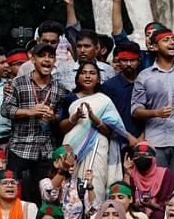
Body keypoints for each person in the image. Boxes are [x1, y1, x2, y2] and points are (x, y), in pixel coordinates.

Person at [1, 42, 68, 204]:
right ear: (33, 59)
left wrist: (54, 118)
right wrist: (29, 111)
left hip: (45, 150)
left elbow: (61, 120)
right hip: (20, 147)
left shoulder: (60, 89)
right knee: (13, 193)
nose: (47, 60)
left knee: (44, 197)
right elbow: (5, 110)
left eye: (51, 57)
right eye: (42, 56)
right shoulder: (19, 83)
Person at [59, 61, 134, 201]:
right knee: (71, 192)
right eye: (83, 73)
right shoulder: (69, 98)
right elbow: (61, 127)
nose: (88, 76)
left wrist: (95, 119)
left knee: (95, 185)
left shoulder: (105, 101)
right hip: (73, 150)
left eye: (92, 73)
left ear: (98, 79)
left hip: (98, 149)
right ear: (77, 78)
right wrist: (74, 118)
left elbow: (111, 132)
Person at [131, 28, 174, 185]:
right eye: (166, 40)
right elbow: (135, 110)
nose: (172, 42)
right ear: (155, 47)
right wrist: (155, 113)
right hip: (155, 142)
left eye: (173, 39)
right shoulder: (144, 76)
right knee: (157, 189)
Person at [39, 145, 98, 219]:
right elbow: (51, 196)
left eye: (73, 157)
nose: (71, 160)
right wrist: (64, 168)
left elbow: (93, 211)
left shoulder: (81, 185)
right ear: (56, 163)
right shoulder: (45, 182)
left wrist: (90, 187)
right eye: (66, 157)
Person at [102, 41, 145, 142]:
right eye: (125, 60)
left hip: (144, 139)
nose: (129, 64)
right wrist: (127, 136)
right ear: (118, 61)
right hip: (117, 140)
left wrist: (143, 135)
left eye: (132, 60)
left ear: (139, 61)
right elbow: (107, 116)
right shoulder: (109, 86)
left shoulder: (146, 82)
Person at [122, 142, 174, 219]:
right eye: (137, 155)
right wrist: (126, 173)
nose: (141, 157)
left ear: (154, 159)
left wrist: (151, 205)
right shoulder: (131, 173)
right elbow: (124, 201)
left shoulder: (165, 174)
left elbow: (168, 203)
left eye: (146, 155)